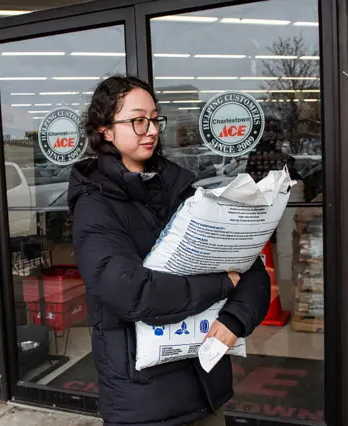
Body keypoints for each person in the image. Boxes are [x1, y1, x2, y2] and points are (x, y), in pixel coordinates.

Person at [68, 75, 271, 426]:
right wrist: (222, 284)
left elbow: (250, 267)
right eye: (137, 120)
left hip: (207, 389)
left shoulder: (181, 189)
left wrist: (235, 319)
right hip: (144, 404)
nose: (150, 130)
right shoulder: (95, 205)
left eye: (154, 119)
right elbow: (134, 292)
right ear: (105, 130)